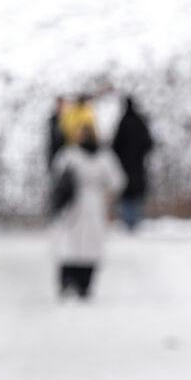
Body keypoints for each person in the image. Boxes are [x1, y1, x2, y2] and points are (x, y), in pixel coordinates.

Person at [49, 123, 125, 299]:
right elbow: (117, 181)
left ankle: (79, 283)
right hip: (82, 204)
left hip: (86, 204)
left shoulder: (72, 155)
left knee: (81, 244)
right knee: (74, 244)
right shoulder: (97, 156)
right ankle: (73, 282)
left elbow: (116, 181)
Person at [111, 96, 155, 231]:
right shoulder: (140, 122)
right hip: (137, 166)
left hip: (126, 166)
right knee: (136, 194)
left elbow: (115, 146)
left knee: (127, 193)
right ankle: (136, 222)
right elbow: (149, 143)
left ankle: (129, 223)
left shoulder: (122, 123)